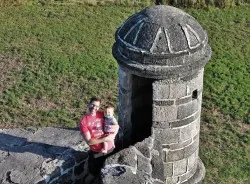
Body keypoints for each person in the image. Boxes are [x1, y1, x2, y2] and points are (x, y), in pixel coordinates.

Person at [79, 97, 119, 175]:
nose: (94, 107)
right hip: (97, 152)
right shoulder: (83, 121)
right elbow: (89, 142)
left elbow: (112, 119)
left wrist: (116, 126)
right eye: (92, 105)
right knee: (94, 174)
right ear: (89, 104)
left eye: (97, 106)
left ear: (99, 107)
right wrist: (106, 139)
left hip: (110, 149)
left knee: (109, 173)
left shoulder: (102, 114)